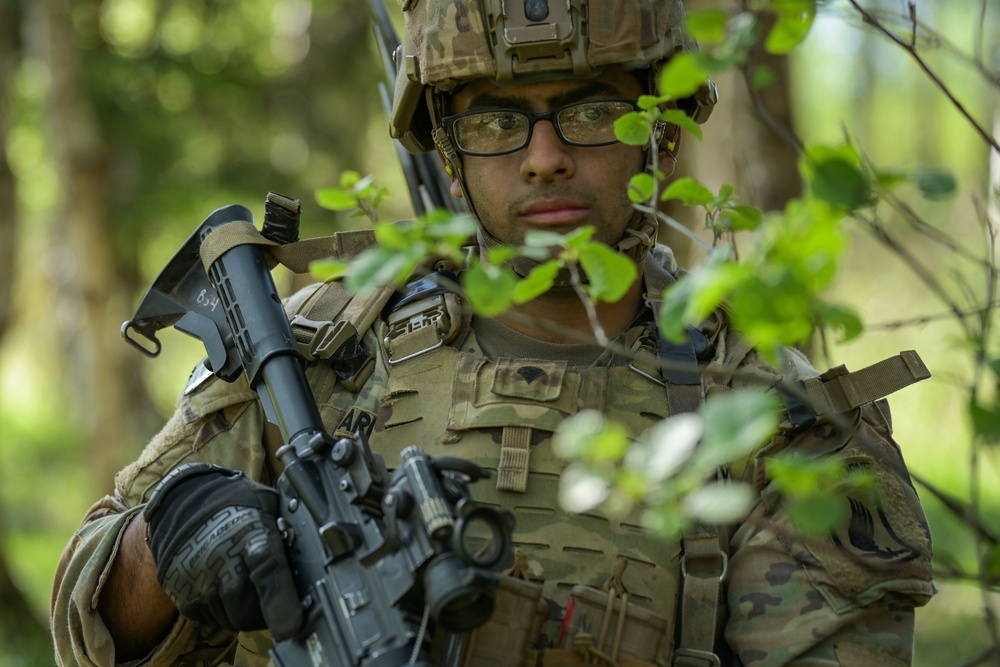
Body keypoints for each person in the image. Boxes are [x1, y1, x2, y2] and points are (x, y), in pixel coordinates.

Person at [51, 0, 936, 665]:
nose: (545, 155)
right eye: (498, 120)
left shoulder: (770, 420)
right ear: (447, 145)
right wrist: (164, 546)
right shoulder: (318, 353)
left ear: (658, 134)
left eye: (589, 110)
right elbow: (83, 619)